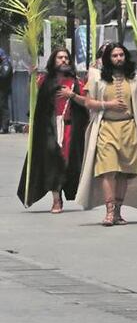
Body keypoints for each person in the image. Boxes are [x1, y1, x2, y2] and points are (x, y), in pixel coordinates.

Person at [72, 43, 137, 226]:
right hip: (106, 128)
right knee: (108, 171)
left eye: (121, 55)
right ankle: (109, 211)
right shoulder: (99, 79)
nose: (118, 59)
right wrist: (108, 105)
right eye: (114, 56)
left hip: (129, 128)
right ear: (108, 58)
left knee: (123, 172)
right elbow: (88, 102)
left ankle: (118, 211)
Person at [17, 48, 89, 213]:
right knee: (52, 162)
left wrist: (72, 95)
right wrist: (31, 77)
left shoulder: (77, 82)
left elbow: (87, 102)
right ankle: (56, 200)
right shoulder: (44, 80)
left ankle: (67, 193)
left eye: (66, 58)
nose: (63, 60)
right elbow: (32, 97)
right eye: (60, 58)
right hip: (50, 128)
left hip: (71, 129)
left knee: (68, 163)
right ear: (53, 61)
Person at [0, 47, 12, 133]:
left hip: (3, 89)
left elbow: (4, 76)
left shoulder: (6, 64)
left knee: (3, 107)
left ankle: (4, 127)